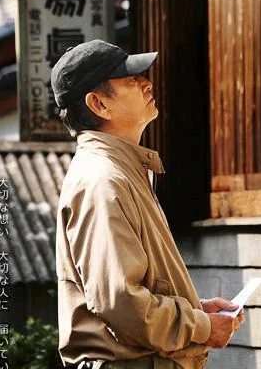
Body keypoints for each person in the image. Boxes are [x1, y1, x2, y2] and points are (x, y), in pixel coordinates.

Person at [51, 39, 245, 369]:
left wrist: (195, 309)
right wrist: (201, 326)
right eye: (130, 79)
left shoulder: (120, 170)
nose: (146, 83)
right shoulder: (103, 180)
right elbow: (120, 302)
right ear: (99, 103)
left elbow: (131, 292)